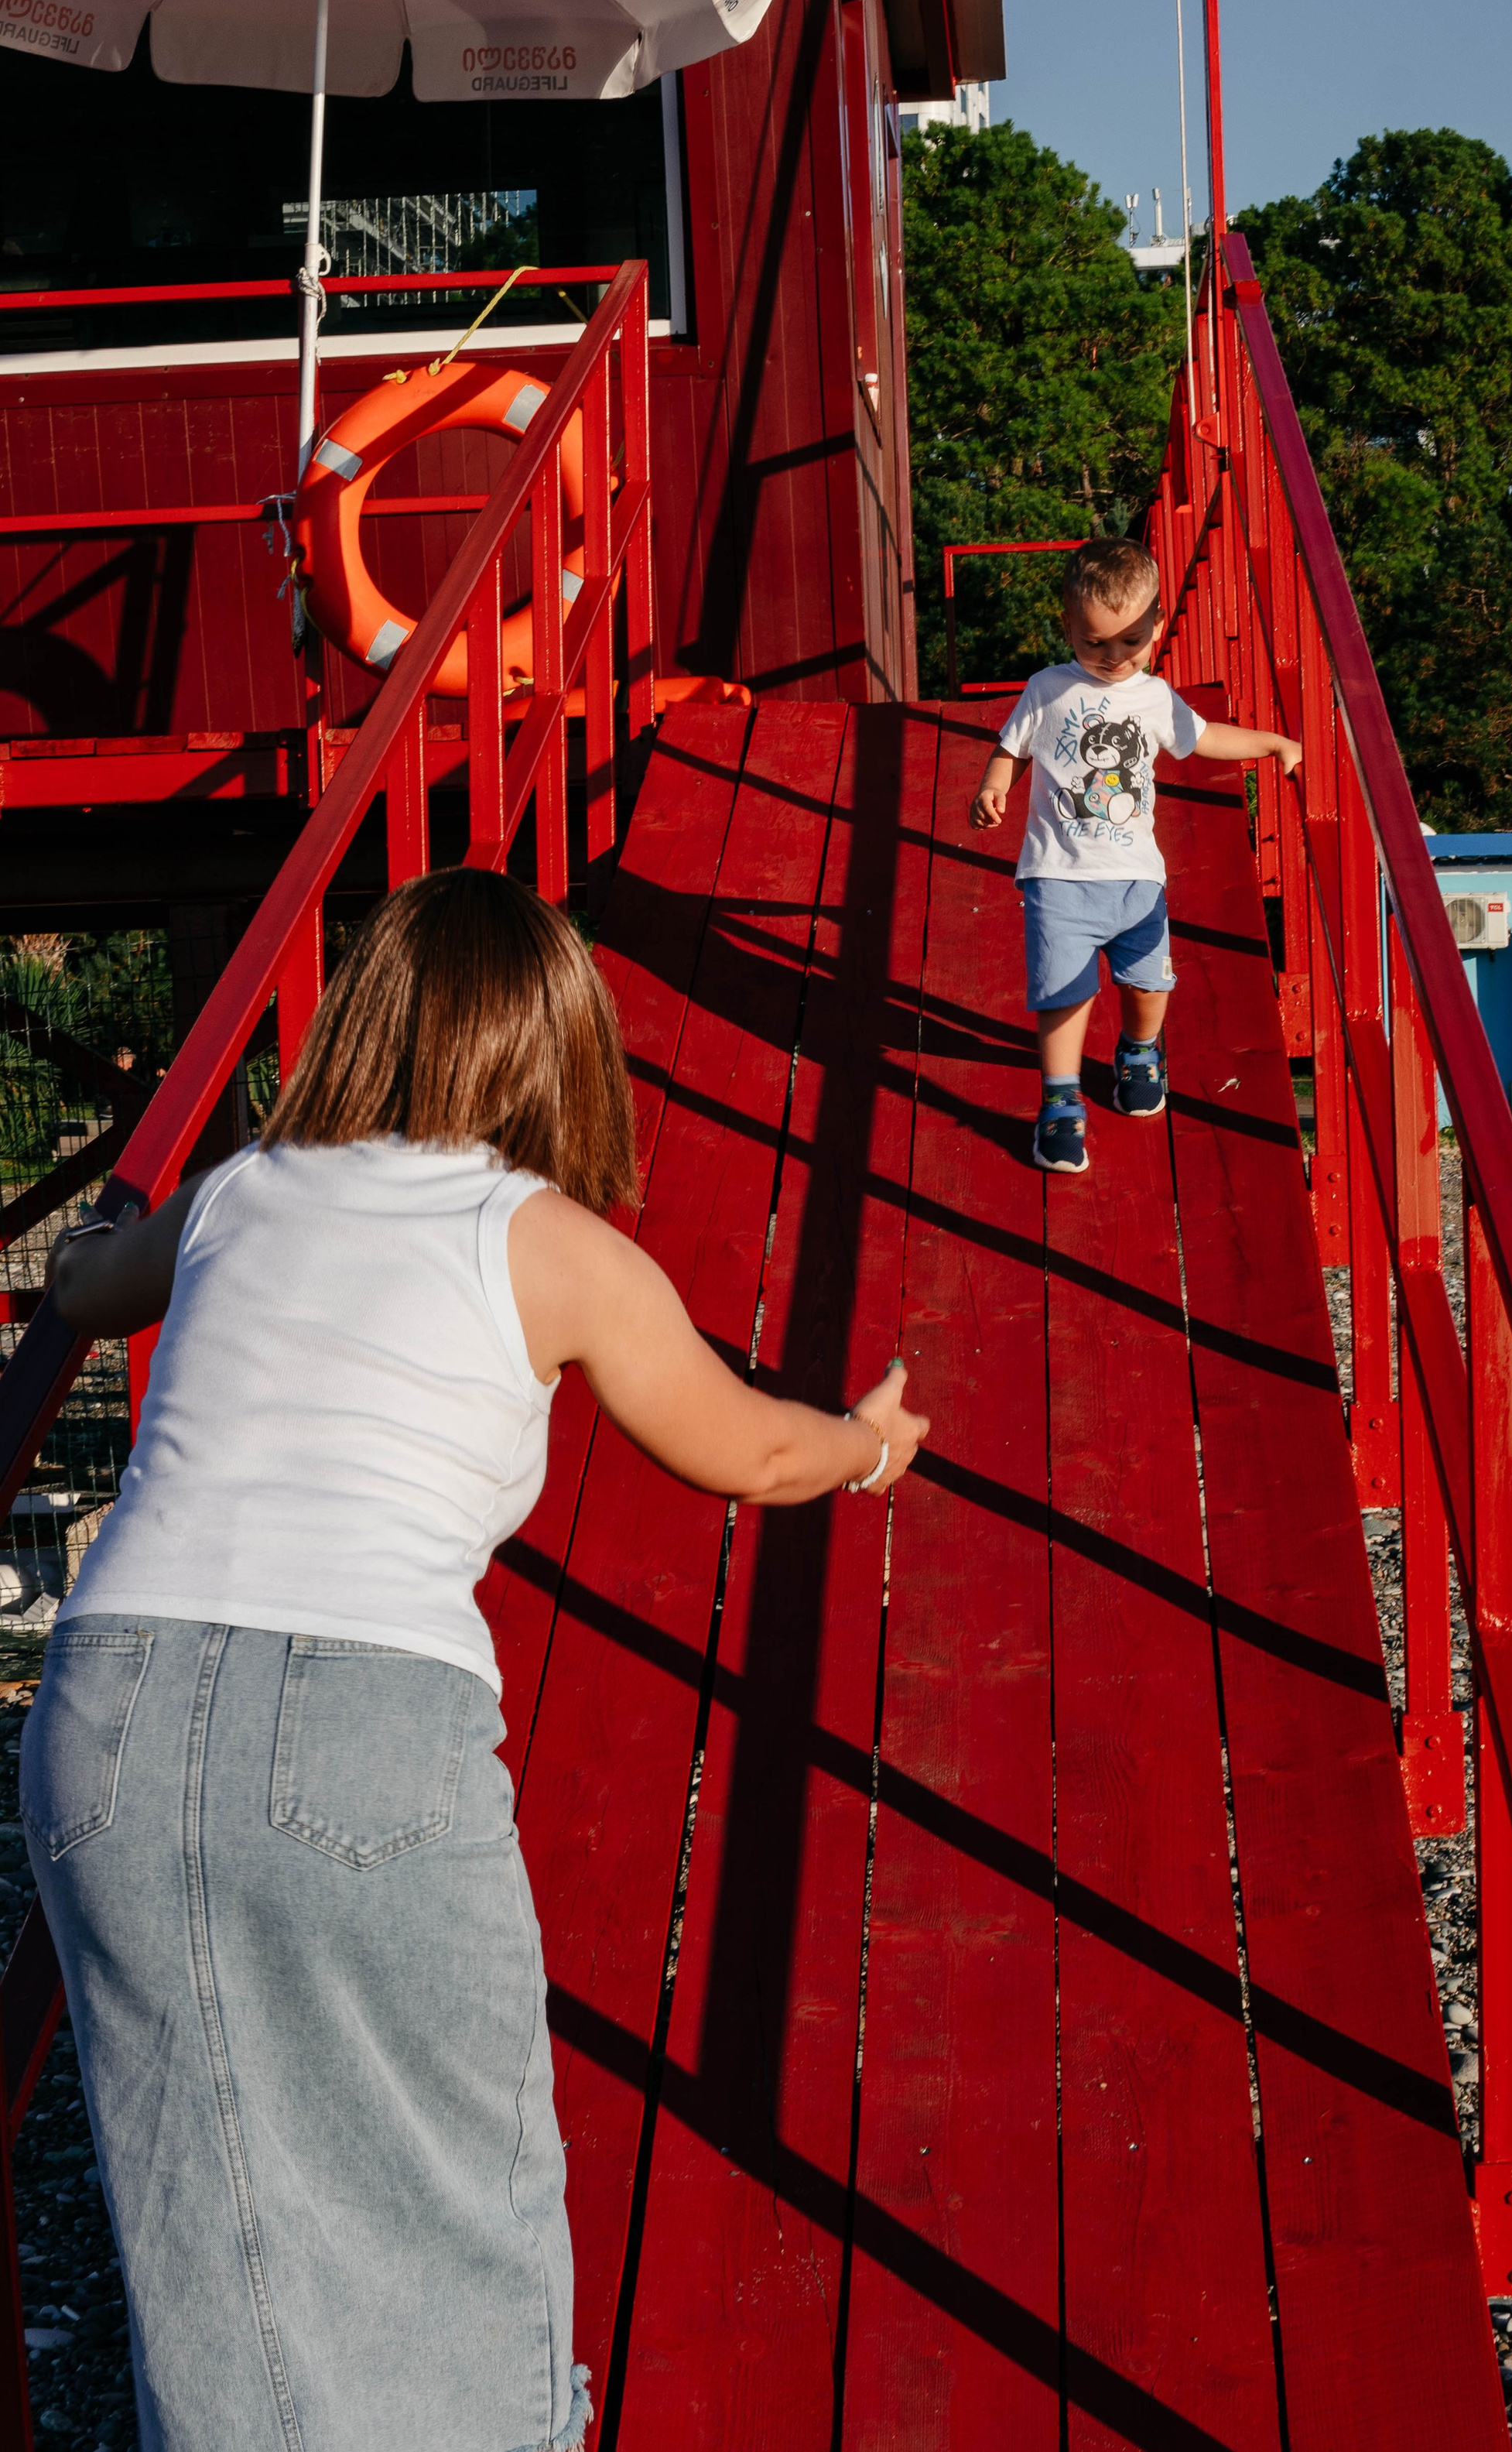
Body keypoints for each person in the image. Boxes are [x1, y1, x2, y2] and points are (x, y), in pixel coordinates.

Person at [33, 865, 927, 2452]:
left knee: (210, 2202)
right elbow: (745, 1453)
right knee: (459, 2184)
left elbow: (86, 1286)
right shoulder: (546, 1240)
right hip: (359, 1716)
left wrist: (103, 1240)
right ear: (553, 1048)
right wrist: (863, 1445)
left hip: (106, 1705)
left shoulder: (243, 1190)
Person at [968, 538, 1302, 1175]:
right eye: (1094, 643)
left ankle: (1139, 1049)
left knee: (1150, 982)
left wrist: (1272, 742)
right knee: (1063, 993)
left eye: (1131, 642)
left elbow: (1203, 738)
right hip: (1058, 874)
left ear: (1155, 626)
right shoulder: (1046, 688)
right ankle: (1061, 1103)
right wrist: (993, 786)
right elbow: (1011, 748)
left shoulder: (1153, 696)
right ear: (1067, 625)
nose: (1114, 658)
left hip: (1137, 881)